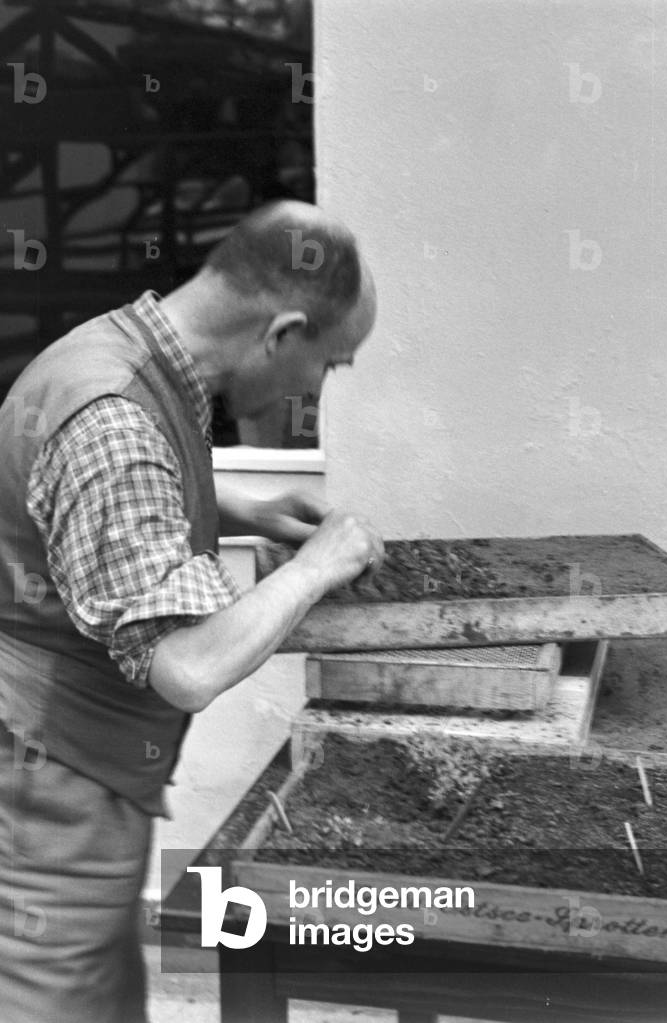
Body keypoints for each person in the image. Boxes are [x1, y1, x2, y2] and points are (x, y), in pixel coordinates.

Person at [0, 200, 384, 1023]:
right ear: (281, 333)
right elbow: (185, 665)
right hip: (42, 789)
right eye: (331, 364)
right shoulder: (113, 420)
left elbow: (98, 509)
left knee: (100, 999)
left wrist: (242, 509)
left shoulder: (128, 354)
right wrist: (315, 567)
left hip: (77, 779)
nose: (316, 387)